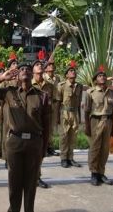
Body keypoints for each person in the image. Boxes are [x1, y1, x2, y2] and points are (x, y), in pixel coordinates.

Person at [0, 63, 50, 212]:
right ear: (17, 76)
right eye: (22, 70)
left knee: (31, 183)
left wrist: (43, 149)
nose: (25, 71)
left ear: (32, 75)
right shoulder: (8, 93)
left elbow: (47, 125)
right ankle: (14, 209)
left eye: (28, 70)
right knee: (14, 182)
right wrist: (1, 78)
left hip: (34, 142)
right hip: (15, 142)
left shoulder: (42, 96)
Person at [84, 67, 113, 186]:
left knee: (105, 149)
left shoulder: (112, 92)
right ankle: (94, 173)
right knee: (95, 148)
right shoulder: (90, 92)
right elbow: (86, 111)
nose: (102, 77)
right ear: (95, 80)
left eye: (103, 75)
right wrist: (87, 127)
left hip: (108, 121)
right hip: (95, 121)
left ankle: (101, 172)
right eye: (99, 76)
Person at [31, 59, 54, 189]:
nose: (40, 66)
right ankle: (28, 177)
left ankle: (37, 177)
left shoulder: (49, 86)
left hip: (43, 121)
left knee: (40, 152)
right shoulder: (28, 84)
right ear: (33, 70)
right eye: (37, 65)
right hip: (31, 122)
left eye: (41, 65)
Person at [56, 62, 83, 168]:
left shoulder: (79, 86)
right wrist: (58, 116)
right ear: (66, 75)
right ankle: (63, 158)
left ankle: (70, 158)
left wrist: (79, 117)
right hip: (64, 112)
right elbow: (58, 101)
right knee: (64, 136)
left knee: (73, 136)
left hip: (74, 113)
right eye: (70, 71)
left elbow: (79, 103)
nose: (73, 72)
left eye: (74, 71)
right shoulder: (61, 85)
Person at [43, 57, 61, 157]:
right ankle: (44, 147)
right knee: (45, 125)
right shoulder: (44, 77)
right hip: (46, 103)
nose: (51, 67)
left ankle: (50, 147)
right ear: (45, 68)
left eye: (52, 65)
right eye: (49, 65)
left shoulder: (57, 78)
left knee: (52, 126)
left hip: (55, 103)